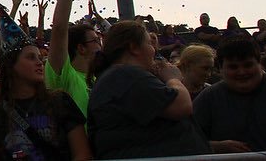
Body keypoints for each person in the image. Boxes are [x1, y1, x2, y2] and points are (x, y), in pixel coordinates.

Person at [87, 21, 210, 158]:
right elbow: (182, 106)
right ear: (133, 47)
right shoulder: (127, 75)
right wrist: (173, 79)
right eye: (149, 44)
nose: (154, 50)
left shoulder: (117, 77)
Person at [0, 7, 90, 161]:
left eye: (39, 57)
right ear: (11, 66)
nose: (40, 63)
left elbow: (82, 154)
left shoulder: (60, 102)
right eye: (31, 57)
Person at [193, 38, 266, 152]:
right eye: (233, 67)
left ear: (259, 64)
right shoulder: (209, 98)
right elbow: (185, 141)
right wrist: (215, 146)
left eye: (248, 65)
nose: (242, 72)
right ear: (220, 69)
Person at [44, 0, 96, 118]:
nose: (101, 44)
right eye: (95, 41)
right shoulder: (64, 75)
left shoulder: (100, 78)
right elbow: (59, 28)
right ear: (81, 48)